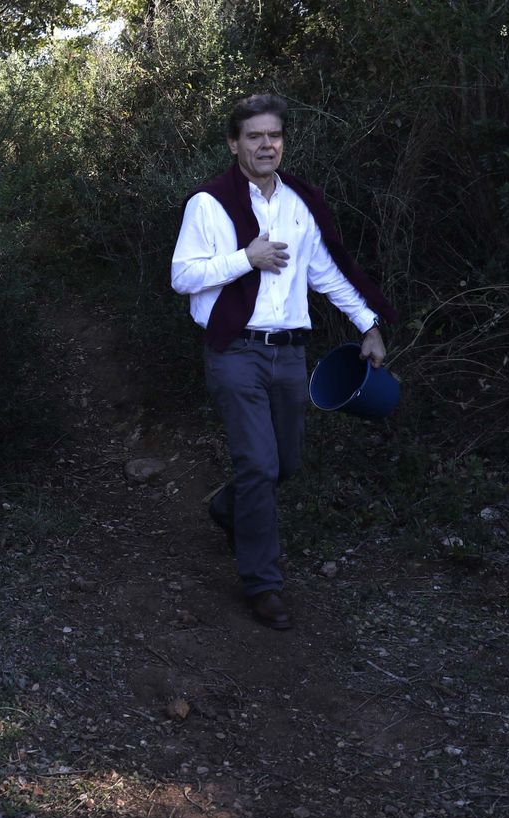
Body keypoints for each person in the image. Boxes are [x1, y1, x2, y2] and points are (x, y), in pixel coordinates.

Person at [170, 93, 398, 630]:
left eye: (273, 135)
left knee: (285, 465)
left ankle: (229, 509)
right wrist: (243, 259)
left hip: (290, 353)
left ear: (283, 141)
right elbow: (182, 276)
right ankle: (263, 585)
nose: (265, 144)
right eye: (254, 136)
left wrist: (368, 325)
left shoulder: (300, 202)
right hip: (235, 350)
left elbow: (324, 273)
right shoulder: (209, 203)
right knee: (257, 464)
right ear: (234, 143)